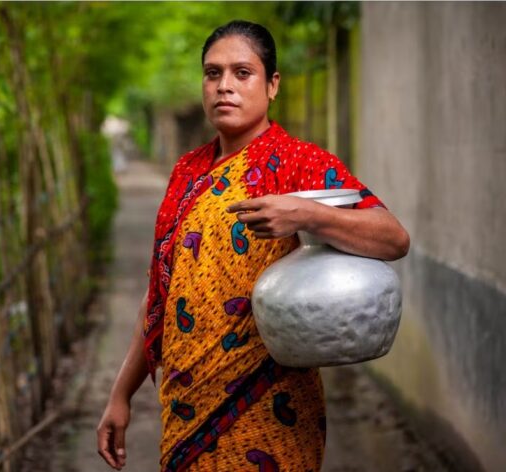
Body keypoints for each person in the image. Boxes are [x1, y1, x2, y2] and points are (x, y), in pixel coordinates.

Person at [96, 20, 410, 472]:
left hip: (268, 400)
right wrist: (120, 394)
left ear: (272, 84)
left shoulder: (298, 162)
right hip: (186, 408)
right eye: (212, 73)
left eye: (242, 73)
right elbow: (160, 295)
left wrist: (306, 214)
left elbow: (393, 237)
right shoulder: (187, 172)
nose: (224, 86)